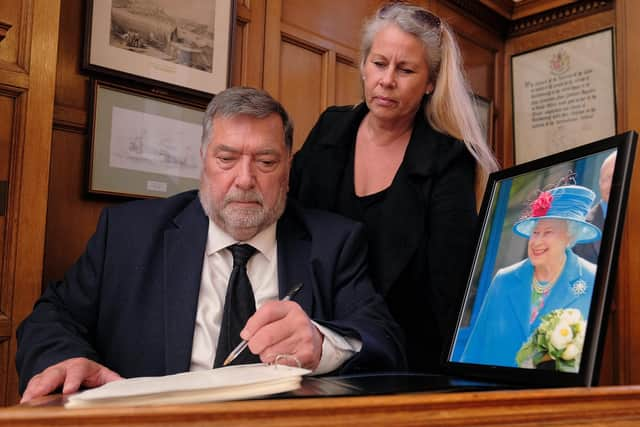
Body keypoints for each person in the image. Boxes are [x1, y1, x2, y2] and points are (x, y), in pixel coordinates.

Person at [16, 87, 405, 402]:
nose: (245, 179)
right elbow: (52, 316)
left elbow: (384, 341)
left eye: (266, 162)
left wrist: (324, 345)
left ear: (288, 169)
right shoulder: (127, 233)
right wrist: (68, 359)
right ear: (202, 160)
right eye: (227, 158)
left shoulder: (334, 242)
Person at [288, 2, 498, 372]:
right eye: (379, 63)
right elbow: (291, 229)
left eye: (405, 70)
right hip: (316, 344)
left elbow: (450, 287)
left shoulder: (448, 159)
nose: (387, 80)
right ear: (364, 66)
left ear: (430, 82)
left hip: (403, 356)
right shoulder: (329, 128)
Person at [461, 185, 601, 368]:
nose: (536, 241)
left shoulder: (592, 279)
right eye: (535, 232)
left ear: (569, 237)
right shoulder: (504, 280)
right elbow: (474, 351)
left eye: (548, 232)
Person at [574, 151, 616, 263]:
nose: (611, 184)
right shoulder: (579, 229)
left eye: (615, 176)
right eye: (606, 178)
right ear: (599, 183)